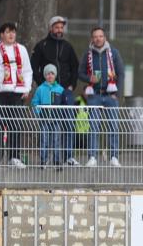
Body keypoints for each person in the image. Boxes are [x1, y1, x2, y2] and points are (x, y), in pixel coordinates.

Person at [0, 22, 33, 167]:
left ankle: (14, 157)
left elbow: (27, 71)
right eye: (8, 32)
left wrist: (27, 88)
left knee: (15, 125)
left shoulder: (21, 49)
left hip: (17, 93)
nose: (11, 35)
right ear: (2, 34)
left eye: (13, 32)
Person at [31, 16, 80, 166]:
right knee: (48, 127)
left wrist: (71, 85)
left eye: (61, 27)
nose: (59, 30)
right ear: (51, 28)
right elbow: (34, 67)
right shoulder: (41, 45)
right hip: (48, 91)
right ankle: (46, 158)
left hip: (65, 91)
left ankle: (68, 156)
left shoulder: (68, 46)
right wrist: (42, 83)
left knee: (69, 123)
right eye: (56, 27)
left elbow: (75, 67)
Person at [79, 27, 124, 168]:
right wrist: (89, 78)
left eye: (100, 36)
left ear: (105, 37)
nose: (98, 39)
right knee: (93, 127)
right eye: (95, 36)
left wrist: (117, 93)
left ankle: (114, 157)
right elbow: (80, 73)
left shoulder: (114, 53)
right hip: (94, 95)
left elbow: (121, 73)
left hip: (111, 95)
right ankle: (92, 157)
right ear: (92, 39)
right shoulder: (87, 54)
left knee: (113, 126)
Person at [31, 64, 66, 167]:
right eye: (47, 74)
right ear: (45, 76)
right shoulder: (40, 89)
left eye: (52, 73)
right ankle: (44, 160)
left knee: (56, 140)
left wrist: (61, 114)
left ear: (55, 75)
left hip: (56, 118)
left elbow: (64, 104)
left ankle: (56, 160)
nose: (50, 76)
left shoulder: (60, 89)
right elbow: (35, 102)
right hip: (44, 118)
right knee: (44, 139)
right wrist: (39, 113)